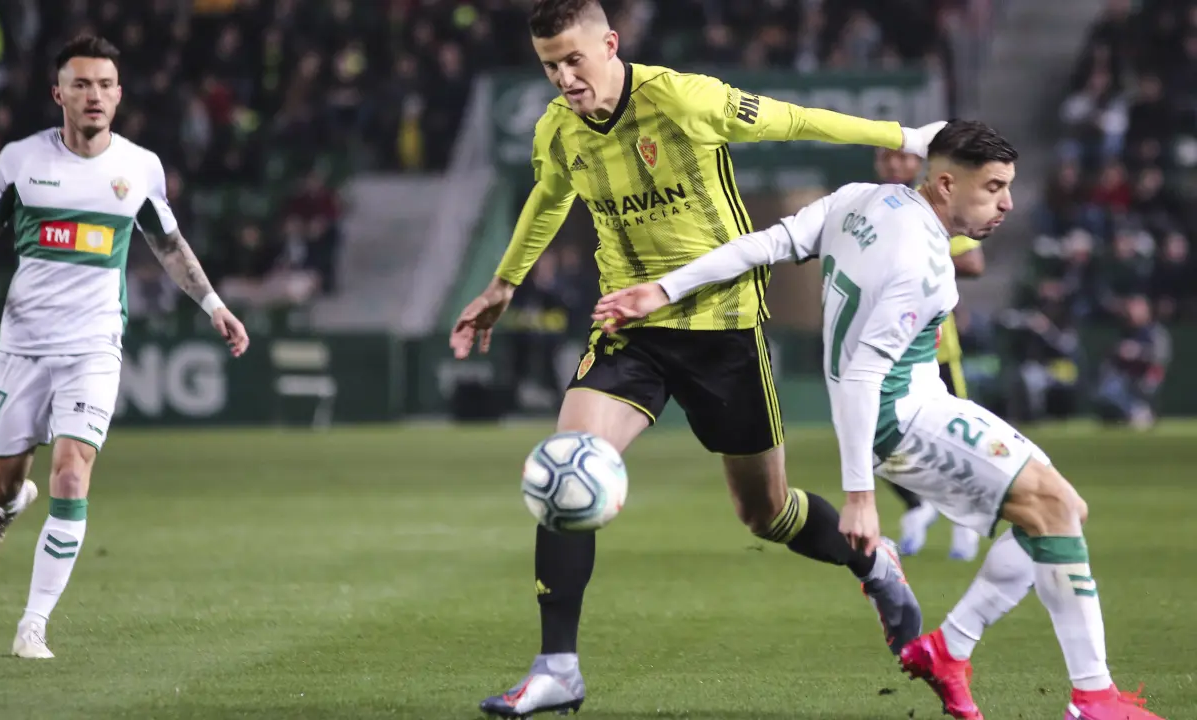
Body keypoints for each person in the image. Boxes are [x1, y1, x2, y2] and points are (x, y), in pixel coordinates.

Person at [449, 0, 945, 716]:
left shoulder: (682, 99)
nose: (563, 78)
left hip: (723, 328)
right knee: (567, 468)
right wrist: (503, 285)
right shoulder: (558, 130)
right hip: (630, 326)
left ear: (610, 44)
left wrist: (901, 135)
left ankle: (870, 556)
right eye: (550, 66)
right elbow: (549, 198)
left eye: (574, 60)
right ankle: (558, 666)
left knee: (766, 514)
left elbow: (794, 119)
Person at [595, 119, 1165, 720]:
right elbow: (865, 375)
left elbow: (762, 245)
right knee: (1054, 509)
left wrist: (664, 289)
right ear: (946, 184)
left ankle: (952, 650)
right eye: (995, 187)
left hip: (919, 401)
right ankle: (1091, 698)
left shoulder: (859, 200)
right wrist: (860, 496)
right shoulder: (923, 265)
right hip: (904, 418)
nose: (1008, 204)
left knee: (1059, 510)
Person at [0, 35, 249, 659]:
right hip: (23, 347)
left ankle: (33, 625)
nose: (94, 95)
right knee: (4, 483)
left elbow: (169, 245)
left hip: (93, 347)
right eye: (81, 84)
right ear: (59, 94)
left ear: (119, 94)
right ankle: (6, 504)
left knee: (72, 476)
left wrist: (214, 305)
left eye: (104, 84)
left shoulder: (139, 167)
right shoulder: (21, 161)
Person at [873, 147, 986, 561]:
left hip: (933, 349)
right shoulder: (868, 208)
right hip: (882, 344)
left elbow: (972, 262)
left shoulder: (936, 205)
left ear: (917, 164)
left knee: (955, 438)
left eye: (902, 158)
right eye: (886, 157)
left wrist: (909, 263)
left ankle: (965, 521)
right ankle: (918, 503)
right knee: (873, 441)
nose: (894, 164)